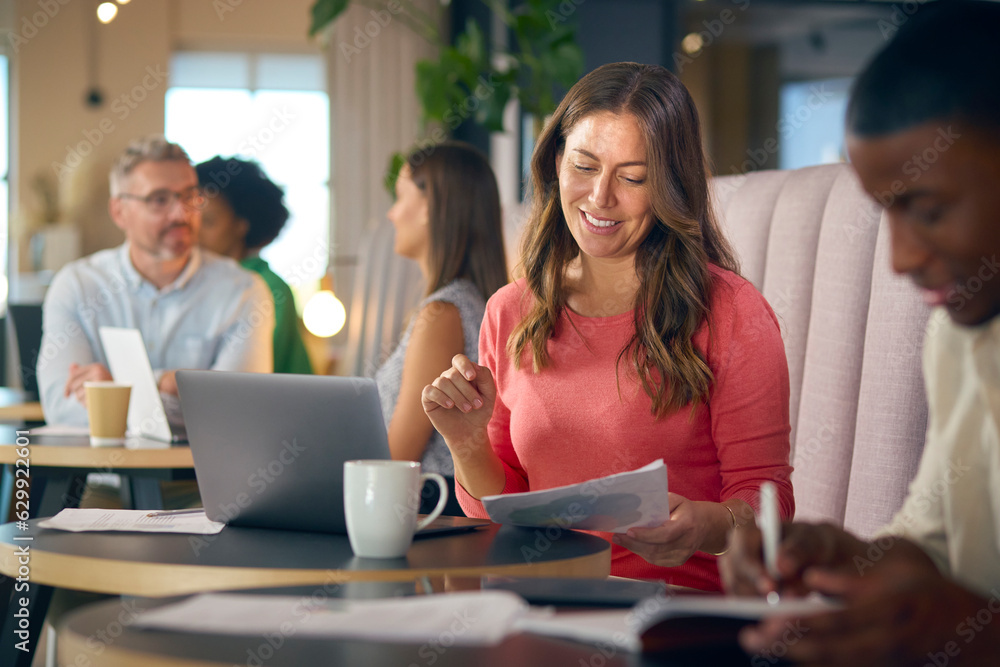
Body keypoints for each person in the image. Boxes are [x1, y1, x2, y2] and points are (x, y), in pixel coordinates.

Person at [421, 63, 793, 590]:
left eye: (633, 177)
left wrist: (705, 524)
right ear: (556, 161)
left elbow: (768, 501)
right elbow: (502, 505)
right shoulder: (510, 310)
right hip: (540, 595)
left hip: (679, 605)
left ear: (670, 185)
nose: (600, 198)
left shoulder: (731, 311)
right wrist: (466, 443)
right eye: (585, 166)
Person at [720, 2, 1000, 664]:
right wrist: (836, 555)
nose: (900, 258)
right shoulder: (960, 336)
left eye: (928, 210)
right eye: (885, 214)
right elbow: (930, 544)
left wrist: (976, 631)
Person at [37, 136, 274, 427]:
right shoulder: (77, 285)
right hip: (99, 472)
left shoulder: (243, 291)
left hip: (197, 473)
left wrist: (112, 393)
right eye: (159, 200)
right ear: (119, 212)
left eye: (189, 196)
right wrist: (167, 385)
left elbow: (240, 412)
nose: (181, 214)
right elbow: (61, 409)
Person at [374, 141, 508, 516]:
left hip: (430, 511)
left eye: (400, 198)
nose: (391, 214)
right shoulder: (468, 300)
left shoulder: (441, 314)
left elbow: (397, 458)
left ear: (430, 207)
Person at [195, 156, 313, 375]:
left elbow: (249, 375)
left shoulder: (266, 287)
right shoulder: (198, 277)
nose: (195, 233)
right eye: (192, 219)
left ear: (241, 226)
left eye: (209, 222)